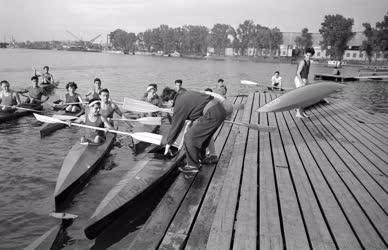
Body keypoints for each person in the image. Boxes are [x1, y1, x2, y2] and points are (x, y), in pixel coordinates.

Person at [161, 87, 227, 174]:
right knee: (203, 137)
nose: (166, 107)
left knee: (189, 137)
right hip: (219, 109)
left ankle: (192, 166)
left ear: (171, 101)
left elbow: (176, 126)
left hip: (212, 112)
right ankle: (202, 158)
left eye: (166, 104)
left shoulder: (179, 103)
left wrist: (168, 144)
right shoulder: (184, 95)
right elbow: (196, 108)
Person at [294, 47, 315, 118]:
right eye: (307, 55)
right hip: (299, 79)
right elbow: (298, 73)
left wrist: (307, 82)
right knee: (300, 97)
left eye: (310, 56)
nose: (308, 57)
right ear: (305, 55)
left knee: (306, 97)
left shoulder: (309, 62)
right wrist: (301, 82)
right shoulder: (302, 62)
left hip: (305, 79)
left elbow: (306, 73)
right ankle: (298, 113)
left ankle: (302, 112)